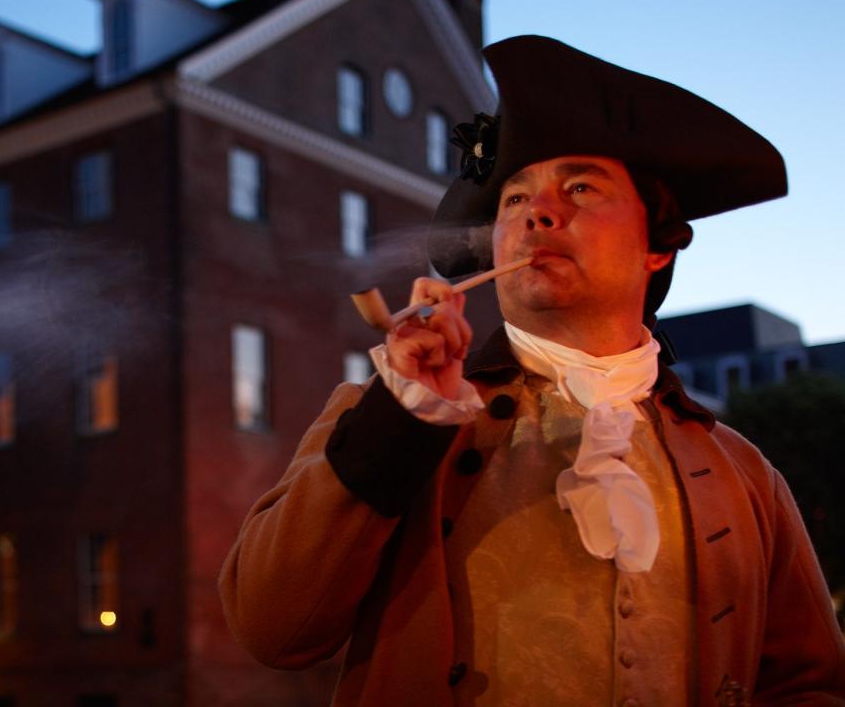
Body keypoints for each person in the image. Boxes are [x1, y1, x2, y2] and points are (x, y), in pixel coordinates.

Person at [219, 36, 845, 706]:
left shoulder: (745, 475)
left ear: (657, 246)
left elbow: (809, 689)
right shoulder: (388, 414)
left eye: (580, 187)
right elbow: (271, 631)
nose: (538, 212)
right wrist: (399, 426)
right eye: (514, 200)